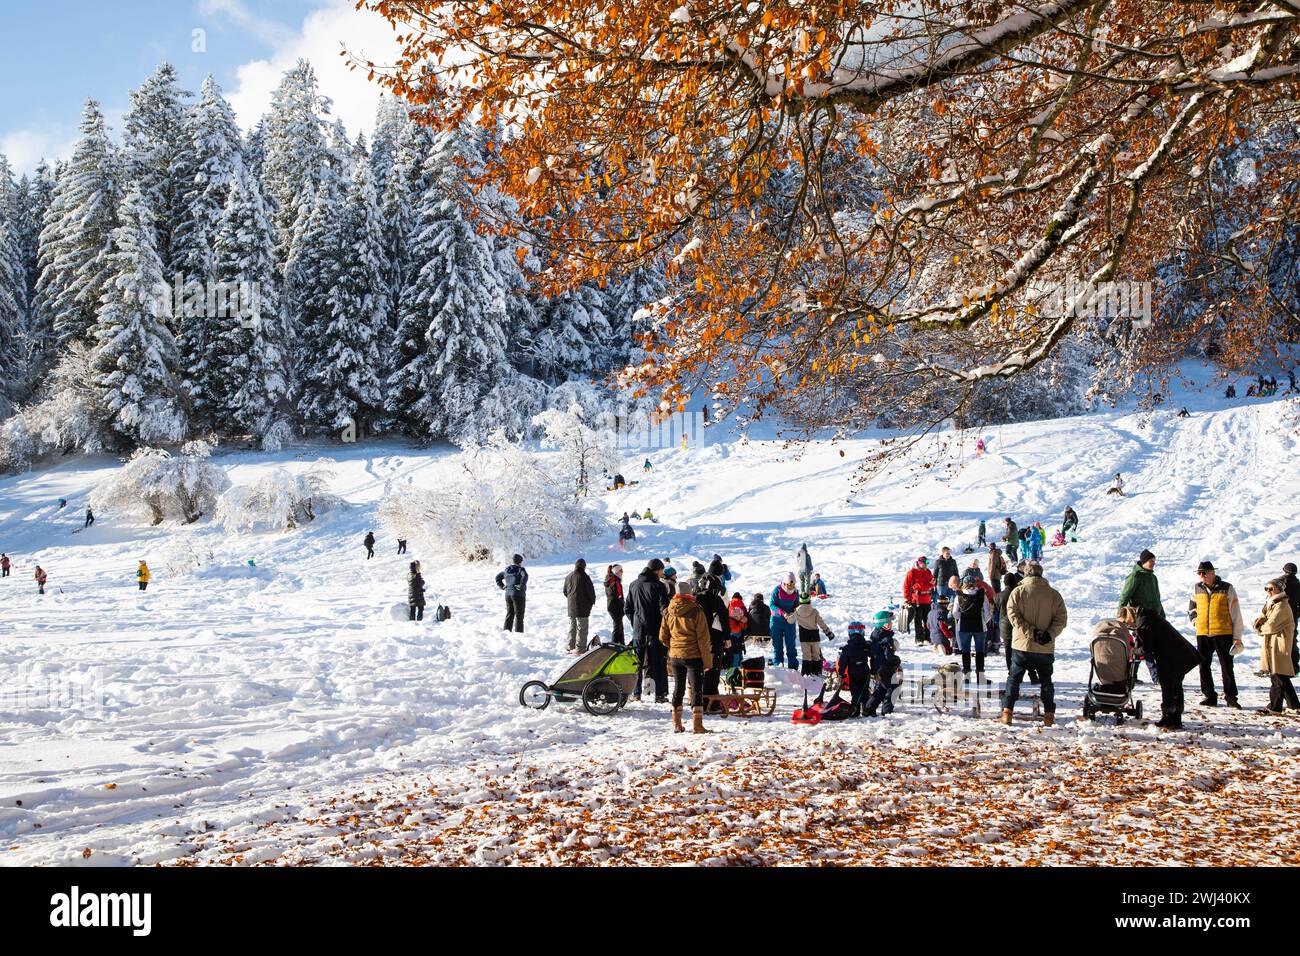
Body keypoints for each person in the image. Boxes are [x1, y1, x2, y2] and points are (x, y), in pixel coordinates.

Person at [1000, 560, 1067, 726]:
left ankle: (1007, 712)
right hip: (1045, 647)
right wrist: (1048, 634)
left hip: (1022, 645)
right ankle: (1049, 715)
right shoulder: (1054, 594)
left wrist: (1031, 632)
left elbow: (1013, 616)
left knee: (1014, 679)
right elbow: (1061, 619)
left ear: (1027, 574)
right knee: (1046, 681)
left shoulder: (1018, 592)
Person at [1116, 606, 1201, 730]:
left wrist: (1132, 650)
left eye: (1124, 622)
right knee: (1175, 686)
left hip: (1171, 656)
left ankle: (1168, 718)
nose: (1126, 626)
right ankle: (1176, 719)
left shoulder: (1144, 622)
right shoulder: (1148, 617)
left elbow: (1146, 648)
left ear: (1128, 617)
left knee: (1168, 686)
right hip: (1181, 653)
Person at [659, 576, 713, 734]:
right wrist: (708, 662)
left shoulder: (668, 611)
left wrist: (674, 646)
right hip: (693, 656)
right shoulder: (696, 611)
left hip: (675, 656)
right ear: (689, 594)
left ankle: (676, 724)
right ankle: (697, 725)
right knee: (696, 689)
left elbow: (662, 636)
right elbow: (703, 639)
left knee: (678, 688)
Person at [1188, 560, 1243, 708]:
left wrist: (1237, 637)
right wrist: (1195, 621)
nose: (1201, 576)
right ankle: (1209, 695)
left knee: (1226, 666)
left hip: (1223, 632)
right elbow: (1192, 607)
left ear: (1212, 573)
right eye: (1199, 573)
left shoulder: (1227, 588)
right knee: (1203, 665)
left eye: (1204, 573)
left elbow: (1236, 613)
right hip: (1203, 633)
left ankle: (1231, 697)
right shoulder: (1197, 588)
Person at [1117, 549, 1164, 682]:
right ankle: (1155, 676)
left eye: (1154, 561)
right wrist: (1120, 615)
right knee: (1145, 646)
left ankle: (1132, 675)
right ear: (1143, 562)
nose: (1153, 563)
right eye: (1150, 561)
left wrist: (1162, 615)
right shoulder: (1135, 577)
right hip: (1140, 617)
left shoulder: (1153, 577)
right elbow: (1125, 596)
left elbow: (1157, 599)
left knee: (1140, 646)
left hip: (1153, 617)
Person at [627, 559, 671, 701]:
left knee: (636, 663)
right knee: (657, 662)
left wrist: (635, 623)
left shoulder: (633, 585)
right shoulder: (659, 586)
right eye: (662, 571)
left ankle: (636, 693)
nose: (662, 574)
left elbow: (627, 608)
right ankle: (659, 694)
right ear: (656, 570)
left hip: (638, 631)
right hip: (655, 630)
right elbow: (664, 609)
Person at [1255, 577, 1299, 715]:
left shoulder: (1282, 605)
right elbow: (1260, 619)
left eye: (1270, 589)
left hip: (1279, 645)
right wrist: (1260, 624)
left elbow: (1271, 625)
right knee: (1280, 676)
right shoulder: (1271, 603)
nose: (1267, 591)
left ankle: (1274, 707)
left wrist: (1260, 626)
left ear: (1278, 590)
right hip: (1272, 644)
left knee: (1278, 676)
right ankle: (1294, 705)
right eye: (1266, 588)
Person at [954, 571, 993, 680]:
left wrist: (960, 619)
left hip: (964, 626)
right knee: (980, 651)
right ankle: (980, 677)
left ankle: (966, 676)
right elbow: (987, 612)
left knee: (965, 651)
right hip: (979, 626)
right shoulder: (981, 594)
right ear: (975, 583)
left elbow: (955, 613)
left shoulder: (959, 596)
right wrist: (984, 621)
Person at [862, 610, 900, 717]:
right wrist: (897, 660)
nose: (892, 624)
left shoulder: (875, 635)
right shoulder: (887, 639)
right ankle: (887, 711)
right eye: (890, 623)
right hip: (885, 668)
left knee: (881, 688)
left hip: (877, 667)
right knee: (892, 687)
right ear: (884, 624)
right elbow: (889, 656)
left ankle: (868, 709)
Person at [791, 592, 835, 676]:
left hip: (804, 637)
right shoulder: (814, 612)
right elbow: (821, 623)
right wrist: (828, 632)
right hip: (814, 636)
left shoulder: (796, 612)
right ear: (809, 601)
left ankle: (806, 673)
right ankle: (817, 672)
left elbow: (790, 621)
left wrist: (787, 616)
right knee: (816, 655)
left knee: (806, 655)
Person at [838, 621, 873, 717]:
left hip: (853, 673)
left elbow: (842, 663)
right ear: (862, 632)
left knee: (855, 691)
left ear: (849, 633)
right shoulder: (866, 646)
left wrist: (840, 674)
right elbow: (873, 655)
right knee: (864, 691)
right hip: (864, 672)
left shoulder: (847, 648)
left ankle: (855, 710)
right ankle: (866, 709)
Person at [563, 558, 597, 654]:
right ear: (584, 566)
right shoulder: (585, 577)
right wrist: (591, 602)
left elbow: (565, 592)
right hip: (582, 608)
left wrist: (571, 600)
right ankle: (580, 649)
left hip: (571, 607)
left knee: (572, 627)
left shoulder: (568, 577)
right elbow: (591, 592)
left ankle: (570, 646)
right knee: (582, 628)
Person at [769, 573, 801, 669]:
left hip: (789, 622)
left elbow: (796, 605)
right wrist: (783, 613)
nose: (791, 587)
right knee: (777, 645)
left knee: (791, 644)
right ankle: (778, 665)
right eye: (789, 585)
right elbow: (772, 605)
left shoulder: (795, 592)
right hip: (776, 621)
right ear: (784, 583)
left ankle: (793, 667)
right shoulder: (777, 590)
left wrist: (796, 611)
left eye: (793, 585)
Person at [903, 556, 935, 646]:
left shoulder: (928, 572)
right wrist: (907, 598)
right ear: (920, 563)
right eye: (924, 563)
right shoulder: (912, 572)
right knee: (918, 620)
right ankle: (919, 639)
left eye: (927, 563)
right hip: (916, 599)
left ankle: (927, 638)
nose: (925, 565)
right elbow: (906, 586)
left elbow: (932, 584)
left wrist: (931, 584)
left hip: (927, 599)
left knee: (927, 620)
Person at [496, 554, 528, 633]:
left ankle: (506, 633)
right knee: (519, 616)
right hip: (518, 595)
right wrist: (520, 586)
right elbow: (525, 576)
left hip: (508, 595)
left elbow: (497, 577)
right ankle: (519, 634)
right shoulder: (521, 570)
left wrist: (502, 586)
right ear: (520, 561)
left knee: (509, 614)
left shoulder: (507, 570)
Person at [1282, 562, 1300, 671]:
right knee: (1293, 639)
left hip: (1281, 614)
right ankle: (1294, 666)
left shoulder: (1280, 583)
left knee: (1280, 640)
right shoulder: (1298, 584)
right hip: (1293, 615)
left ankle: (1283, 666)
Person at [726, 592, 749, 668]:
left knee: (732, 650)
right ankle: (738, 666)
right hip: (739, 631)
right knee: (738, 649)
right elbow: (745, 619)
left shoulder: (729, 604)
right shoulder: (742, 605)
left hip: (730, 630)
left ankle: (733, 666)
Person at [605, 564, 626, 644]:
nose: (622, 572)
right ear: (617, 572)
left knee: (619, 626)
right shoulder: (616, 582)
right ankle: (615, 644)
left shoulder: (610, 580)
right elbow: (619, 597)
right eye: (621, 570)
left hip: (611, 606)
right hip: (616, 607)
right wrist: (623, 608)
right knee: (617, 626)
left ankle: (621, 643)